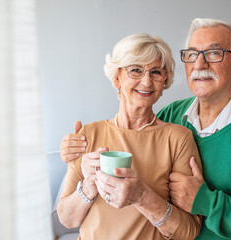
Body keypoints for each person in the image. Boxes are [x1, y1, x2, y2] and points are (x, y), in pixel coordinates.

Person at [60, 18, 231, 239]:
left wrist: (205, 201)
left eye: (214, 53)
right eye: (193, 54)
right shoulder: (173, 115)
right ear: (116, 78)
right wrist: (73, 151)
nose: (200, 63)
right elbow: (141, 133)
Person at [57, 33, 202, 240]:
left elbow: (189, 232)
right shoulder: (88, 134)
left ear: (165, 81)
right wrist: (88, 186)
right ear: (117, 78)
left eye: (156, 72)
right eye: (135, 70)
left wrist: (142, 196)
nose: (146, 81)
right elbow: (67, 219)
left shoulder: (178, 139)